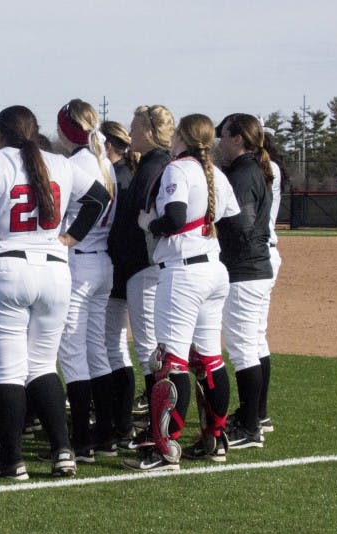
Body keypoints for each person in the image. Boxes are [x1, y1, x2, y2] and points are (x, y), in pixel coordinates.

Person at [0, 105, 111, 480]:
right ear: (35, 131)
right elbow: (99, 199)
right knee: (42, 366)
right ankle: (63, 453)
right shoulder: (60, 162)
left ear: (2, 135)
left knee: (7, 370)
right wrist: (70, 238)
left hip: (5, 266)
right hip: (54, 269)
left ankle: (11, 460)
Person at [122, 114, 239, 471]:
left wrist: (150, 224)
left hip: (184, 270)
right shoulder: (216, 173)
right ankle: (215, 438)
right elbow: (234, 224)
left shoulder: (179, 169)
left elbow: (173, 218)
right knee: (209, 358)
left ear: (183, 138)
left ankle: (165, 448)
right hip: (214, 268)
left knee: (170, 362)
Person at [53, 99, 120, 462]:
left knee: (74, 354)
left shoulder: (71, 164)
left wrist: (67, 239)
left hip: (78, 262)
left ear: (66, 130)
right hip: (102, 261)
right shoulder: (104, 162)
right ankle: (106, 434)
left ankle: (82, 441)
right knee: (98, 353)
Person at [106, 106, 174, 433]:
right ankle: (157, 419)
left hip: (146, 267)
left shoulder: (153, 167)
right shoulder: (150, 164)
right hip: (145, 266)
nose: (130, 131)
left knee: (150, 348)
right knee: (152, 347)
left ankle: (157, 425)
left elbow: (147, 224)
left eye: (135, 125)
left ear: (148, 130)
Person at [215, 113, 275, 450]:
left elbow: (241, 225)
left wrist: (212, 228)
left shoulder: (244, 172)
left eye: (224, 135)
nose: (219, 142)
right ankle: (255, 416)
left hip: (244, 270)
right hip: (254, 268)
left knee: (242, 350)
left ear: (238, 138)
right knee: (252, 344)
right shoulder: (252, 170)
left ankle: (250, 427)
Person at [99, 121, 138, 450]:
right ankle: (119, 423)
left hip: (118, 269)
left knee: (111, 347)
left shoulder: (119, 175)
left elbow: (119, 232)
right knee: (115, 347)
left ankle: (119, 424)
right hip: (122, 269)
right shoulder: (123, 171)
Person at [252, 127, 286, 433]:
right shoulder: (266, 167)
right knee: (254, 336)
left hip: (258, 255)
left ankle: (257, 414)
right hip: (263, 253)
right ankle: (258, 414)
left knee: (250, 337)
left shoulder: (266, 168)